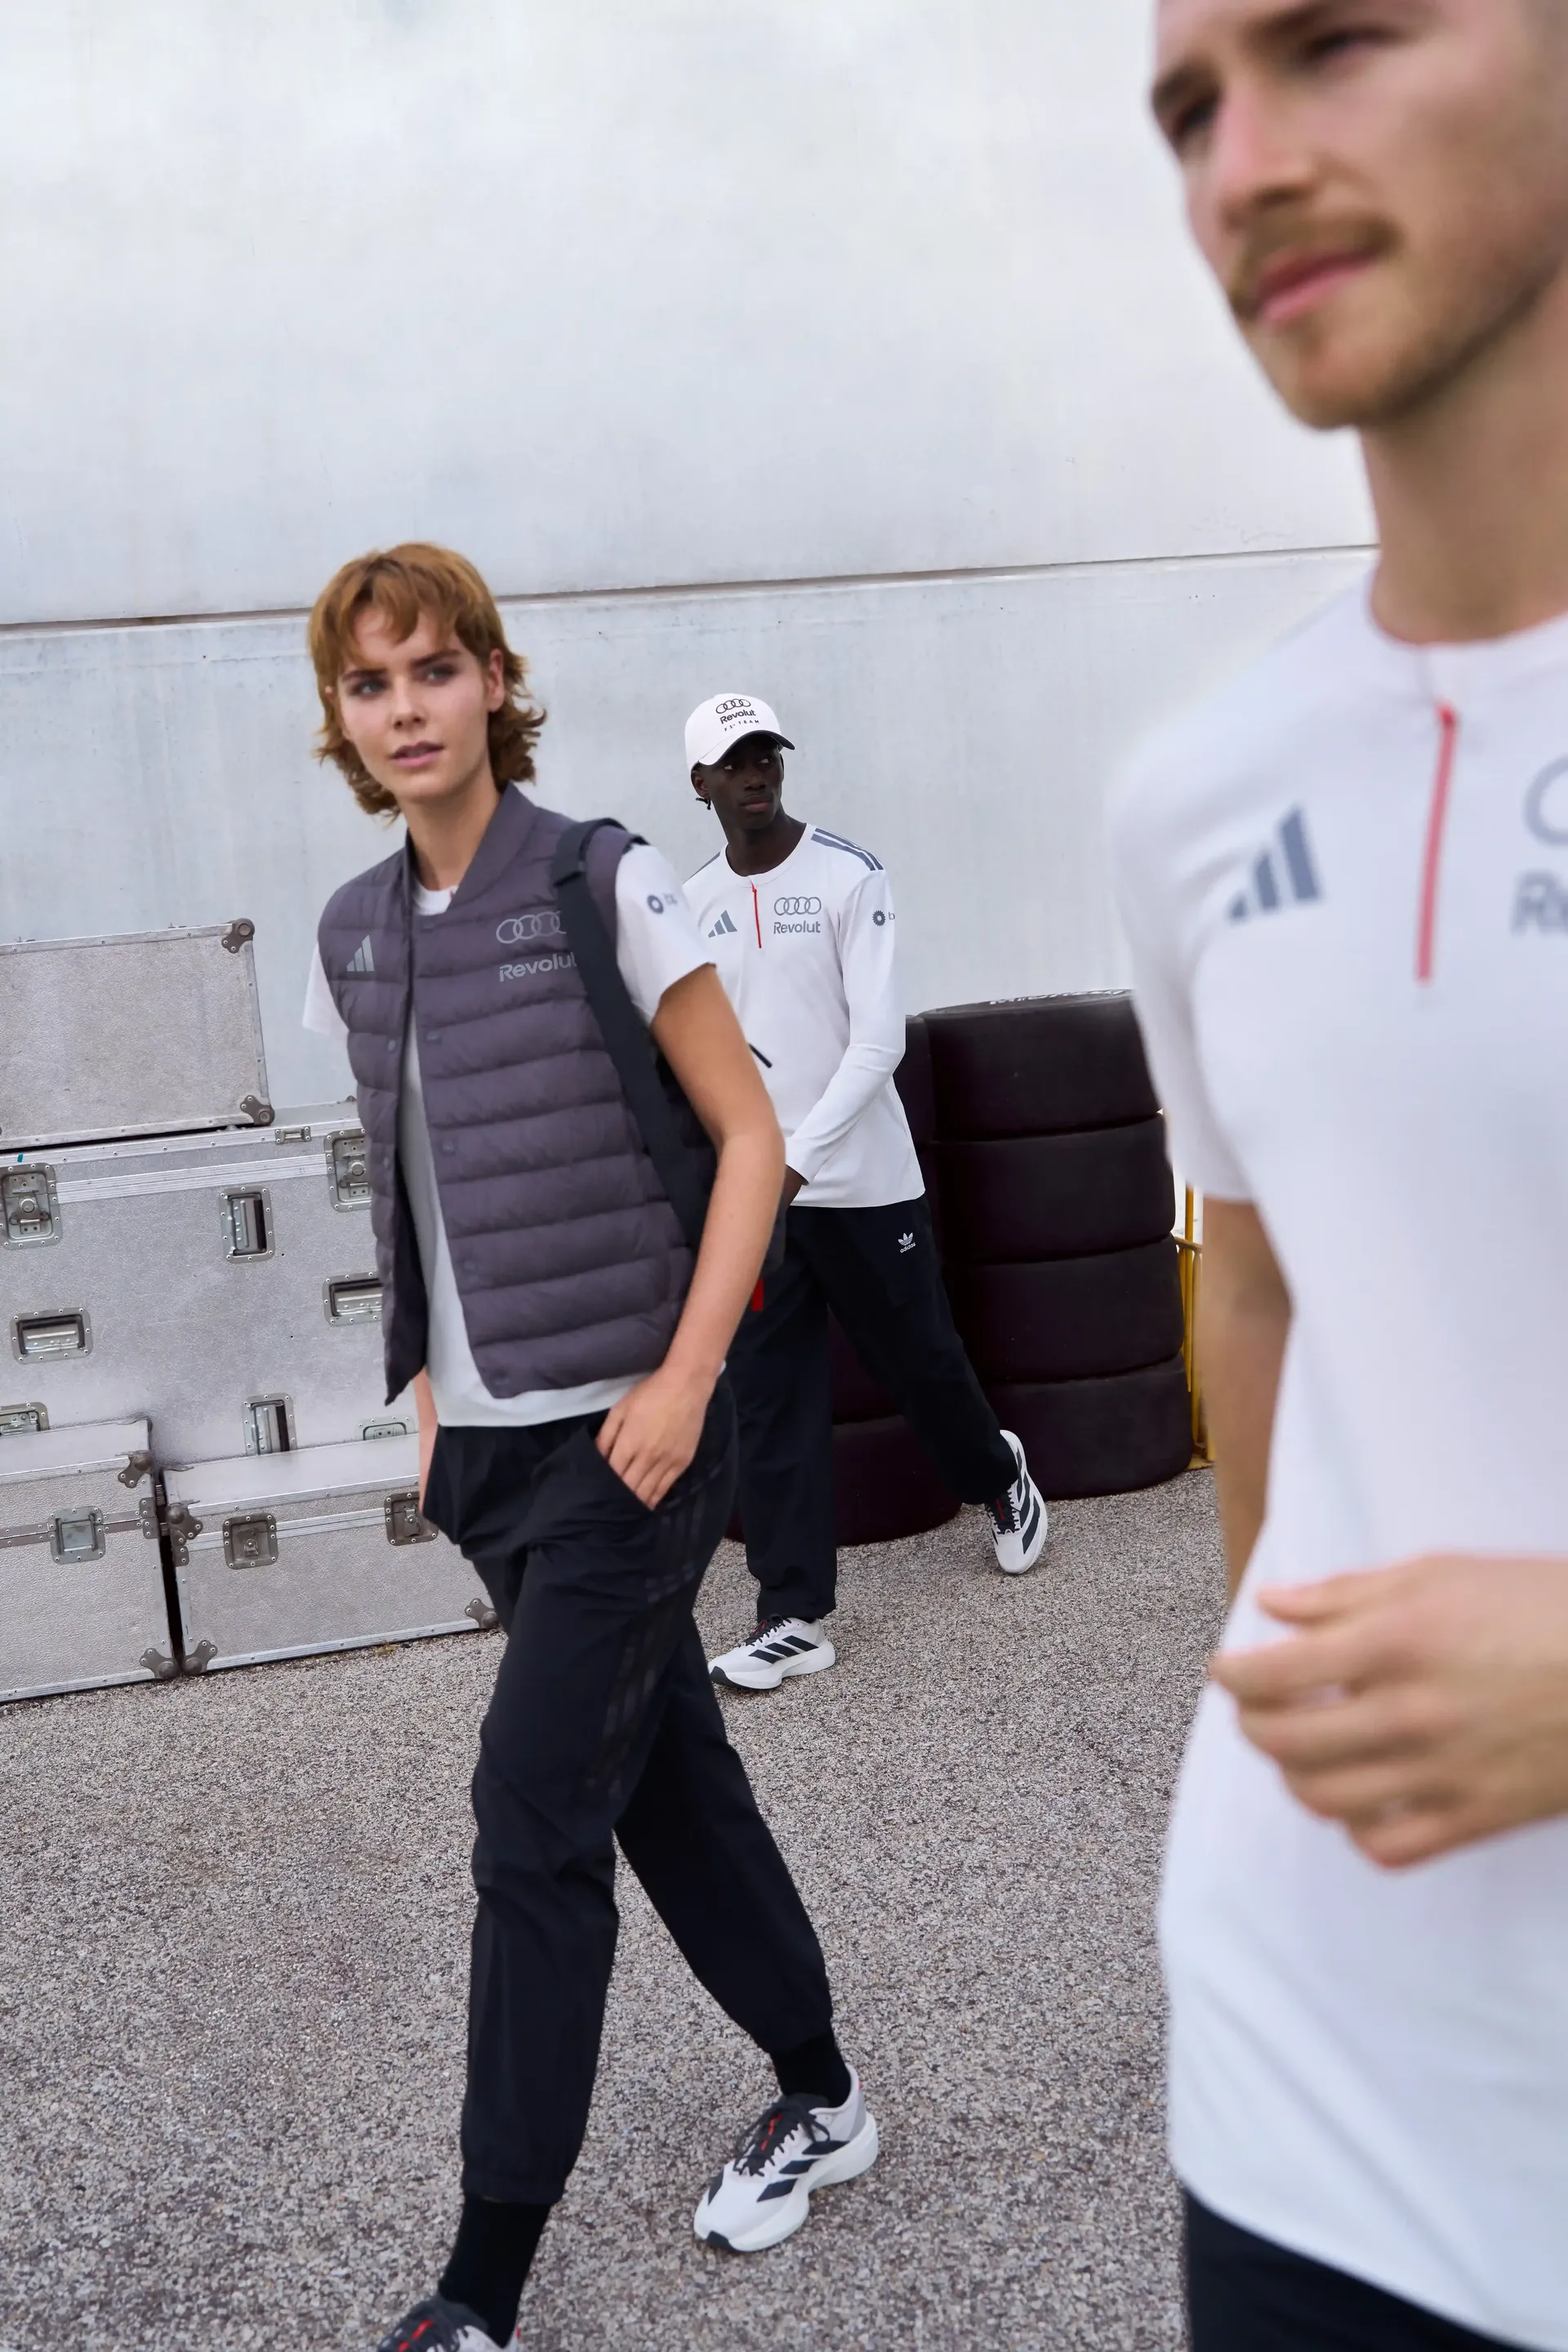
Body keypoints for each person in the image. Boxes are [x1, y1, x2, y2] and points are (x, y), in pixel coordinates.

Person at [1111, 3, 1568, 2346]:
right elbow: (1264, 1284)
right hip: (1306, 2109)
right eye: (1192, 108)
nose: (1245, 163)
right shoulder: (1196, 800)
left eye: (1338, 42)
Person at [300, 547, 879, 2352]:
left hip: (633, 1439)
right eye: (370, 683)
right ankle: (826, 2096)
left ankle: (481, 2286)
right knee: (666, 1782)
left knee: (530, 1815)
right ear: (342, 718)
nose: (406, 707)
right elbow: (410, 1180)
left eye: (434, 669)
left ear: (494, 681)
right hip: (489, 1460)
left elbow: (751, 1136)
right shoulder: (351, 929)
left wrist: (691, 1379)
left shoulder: (602, 879)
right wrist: (423, 1407)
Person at [682, 692, 1049, 1692]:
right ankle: (792, 1614)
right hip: (761, 1198)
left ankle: (999, 1474)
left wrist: (793, 1164)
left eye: (767, 755)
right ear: (701, 783)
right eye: (735, 762)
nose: (757, 774)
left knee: (920, 1367)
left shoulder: (851, 875)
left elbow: (879, 1043)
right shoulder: (692, 904)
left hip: (864, 1187)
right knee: (771, 1402)